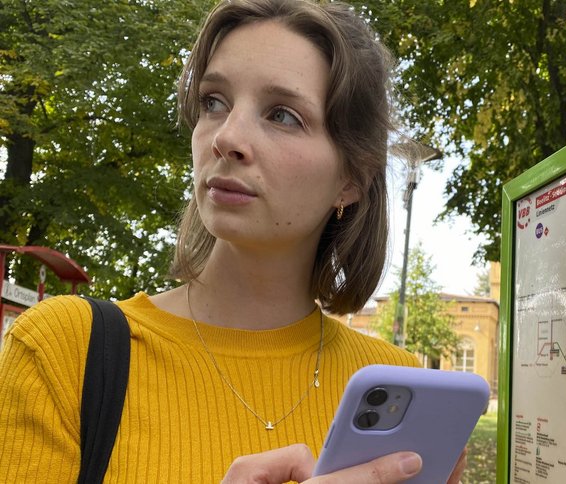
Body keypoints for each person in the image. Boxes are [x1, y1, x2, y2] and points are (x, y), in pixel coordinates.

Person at [0, 1, 466, 482]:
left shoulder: (396, 383)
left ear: (350, 178)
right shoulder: (62, 351)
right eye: (213, 102)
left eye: (283, 115)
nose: (226, 137)